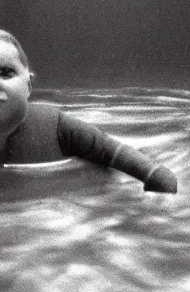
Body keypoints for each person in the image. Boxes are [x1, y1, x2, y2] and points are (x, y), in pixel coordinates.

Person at [0, 29, 177, 193]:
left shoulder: (55, 126)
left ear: (28, 85)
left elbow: (108, 149)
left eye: (6, 72)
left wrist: (152, 173)